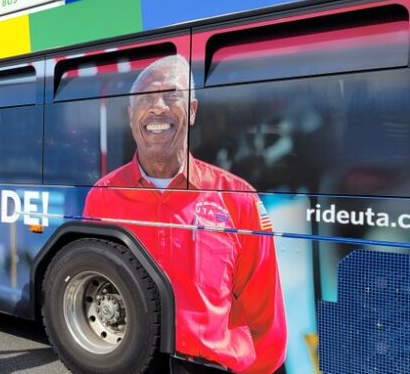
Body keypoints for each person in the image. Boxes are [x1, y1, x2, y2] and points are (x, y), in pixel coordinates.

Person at [82, 55, 286, 374]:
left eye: (170, 95)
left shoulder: (238, 199)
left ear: (191, 111)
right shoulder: (102, 197)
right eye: (146, 98)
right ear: (131, 115)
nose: (158, 107)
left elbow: (265, 315)